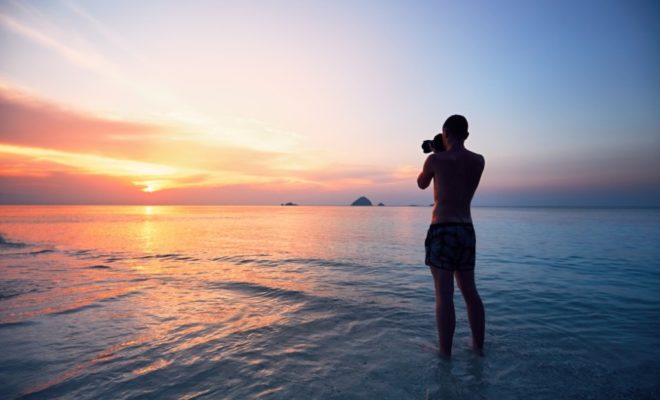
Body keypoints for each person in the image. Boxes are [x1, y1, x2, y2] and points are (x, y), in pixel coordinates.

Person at [417, 114, 485, 358]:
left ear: (444, 132)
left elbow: (422, 184)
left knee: (444, 296)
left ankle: (445, 353)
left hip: (442, 229)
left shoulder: (435, 160)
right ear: (466, 135)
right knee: (470, 292)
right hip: (466, 230)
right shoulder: (478, 161)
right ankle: (478, 348)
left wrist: (434, 153)